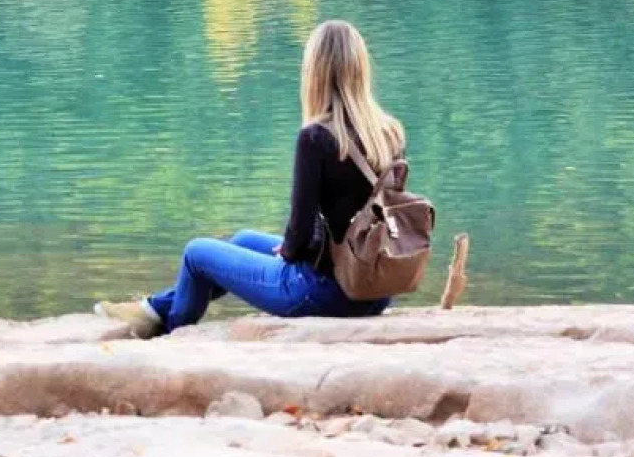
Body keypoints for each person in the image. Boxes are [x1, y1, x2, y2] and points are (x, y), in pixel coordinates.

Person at [96, 20, 404, 337]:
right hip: (373, 289)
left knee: (196, 253)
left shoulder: (315, 137)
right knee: (244, 239)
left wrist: (288, 253)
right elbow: (365, 219)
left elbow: (300, 229)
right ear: (360, 69)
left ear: (315, 72)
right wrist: (294, 248)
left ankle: (171, 333)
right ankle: (151, 309)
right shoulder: (389, 133)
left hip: (322, 293)